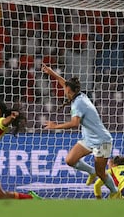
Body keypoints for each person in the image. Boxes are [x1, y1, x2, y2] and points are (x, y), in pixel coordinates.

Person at [41, 64, 118, 196]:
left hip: (103, 141)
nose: (64, 90)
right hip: (89, 139)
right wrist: (51, 73)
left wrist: (55, 126)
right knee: (70, 160)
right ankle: (91, 172)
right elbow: (63, 82)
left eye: (65, 89)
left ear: (69, 91)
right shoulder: (79, 95)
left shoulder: (78, 104)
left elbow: (74, 123)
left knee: (101, 172)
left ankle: (115, 192)